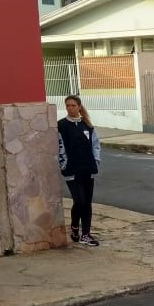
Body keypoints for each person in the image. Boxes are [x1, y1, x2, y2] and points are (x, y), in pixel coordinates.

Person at [57, 95, 101, 247]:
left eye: (73, 105)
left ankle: (86, 234)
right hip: (71, 170)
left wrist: (96, 161)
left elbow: (95, 144)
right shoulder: (61, 125)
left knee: (87, 202)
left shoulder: (87, 125)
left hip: (88, 169)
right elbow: (60, 147)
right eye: (68, 106)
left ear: (79, 107)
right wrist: (64, 165)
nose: (70, 108)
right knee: (79, 200)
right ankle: (75, 226)